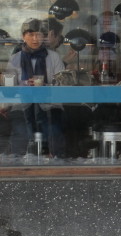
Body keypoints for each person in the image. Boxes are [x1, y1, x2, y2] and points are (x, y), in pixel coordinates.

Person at [5, 18, 65, 158]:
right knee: (20, 133)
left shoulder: (54, 57)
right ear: (23, 37)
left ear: (44, 37)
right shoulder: (15, 58)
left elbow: (63, 85)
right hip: (22, 106)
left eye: (39, 34)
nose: (35, 38)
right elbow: (9, 86)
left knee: (54, 129)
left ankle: (57, 160)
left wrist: (44, 86)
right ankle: (17, 163)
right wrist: (24, 85)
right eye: (30, 34)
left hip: (49, 106)